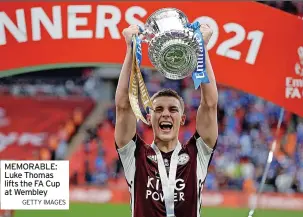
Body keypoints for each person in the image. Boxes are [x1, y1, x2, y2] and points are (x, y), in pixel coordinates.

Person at [115, 23, 218, 217]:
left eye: (173, 109)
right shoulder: (135, 156)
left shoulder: (198, 154)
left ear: (182, 119)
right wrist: (130, 49)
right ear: (148, 118)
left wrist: (202, 48)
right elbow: (123, 107)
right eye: (158, 109)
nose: (165, 114)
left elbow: (210, 105)